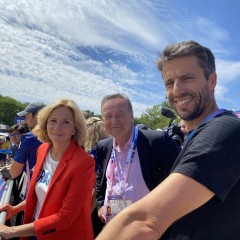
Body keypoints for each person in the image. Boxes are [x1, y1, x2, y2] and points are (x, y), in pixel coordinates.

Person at [96, 41, 240, 240]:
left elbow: (145, 222)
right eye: (169, 83)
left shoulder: (224, 131)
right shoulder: (198, 133)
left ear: (212, 81)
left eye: (187, 78)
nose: (177, 91)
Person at [0, 98, 95, 240]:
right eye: (53, 121)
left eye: (66, 122)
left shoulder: (84, 162)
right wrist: (16, 208)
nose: (57, 127)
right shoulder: (43, 149)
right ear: (45, 124)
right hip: (37, 229)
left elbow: (66, 217)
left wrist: (13, 231)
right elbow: (42, 195)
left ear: (75, 129)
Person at [96, 93, 179, 228]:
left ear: (131, 115)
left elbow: (181, 178)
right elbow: (101, 179)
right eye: (108, 116)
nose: (114, 120)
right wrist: (100, 204)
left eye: (120, 114)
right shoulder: (104, 146)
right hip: (114, 223)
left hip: (149, 227)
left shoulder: (158, 141)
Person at [84, 117, 110, 237]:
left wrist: (86, 214)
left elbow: (94, 187)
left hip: (93, 205)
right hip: (106, 203)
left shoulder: (93, 153)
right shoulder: (109, 150)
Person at [10, 103, 46, 182]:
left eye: (25, 116)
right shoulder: (56, 137)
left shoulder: (29, 138)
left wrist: (4, 173)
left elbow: (13, 173)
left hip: (33, 187)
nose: (24, 120)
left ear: (38, 115)